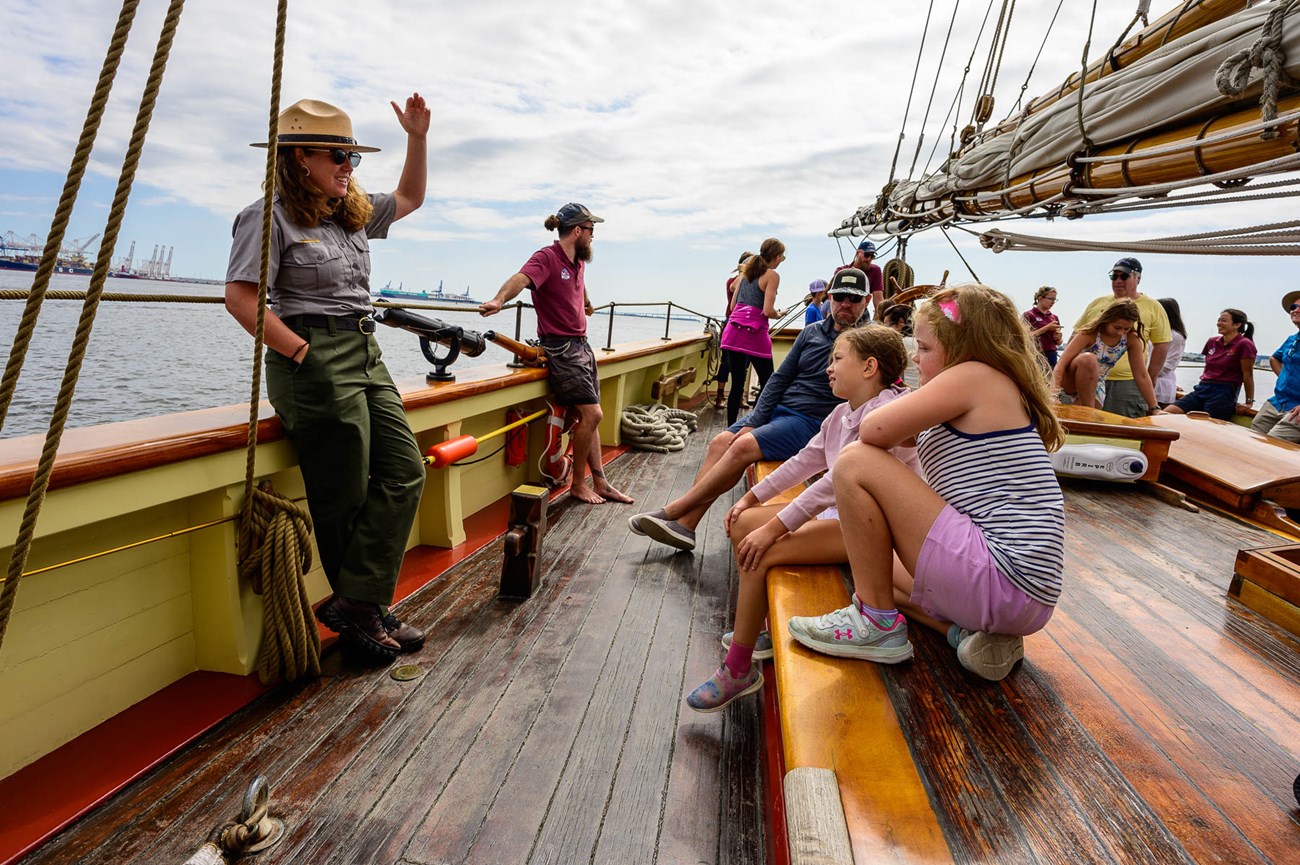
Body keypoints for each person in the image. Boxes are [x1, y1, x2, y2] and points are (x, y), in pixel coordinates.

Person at [224, 95, 430, 659]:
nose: (348, 167)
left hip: (364, 350)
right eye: (338, 155)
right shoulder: (266, 217)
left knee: (405, 471)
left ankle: (355, 602)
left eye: (353, 157)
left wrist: (417, 137)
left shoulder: (352, 212)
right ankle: (366, 611)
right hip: (310, 353)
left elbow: (410, 196)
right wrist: (299, 355)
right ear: (298, 160)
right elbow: (241, 299)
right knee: (343, 491)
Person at [786, 284, 1066, 682]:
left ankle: (875, 623)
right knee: (881, 569)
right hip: (1024, 595)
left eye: (925, 348)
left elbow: (874, 430)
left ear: (962, 345)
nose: (916, 358)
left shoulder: (973, 376)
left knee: (855, 461)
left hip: (997, 576)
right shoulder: (997, 389)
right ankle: (970, 633)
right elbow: (902, 435)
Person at [684, 326, 919, 711]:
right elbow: (804, 461)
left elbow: (831, 483)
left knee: (763, 546)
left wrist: (775, 528)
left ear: (869, 367)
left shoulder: (885, 416)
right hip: (839, 519)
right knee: (744, 524)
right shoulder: (842, 413)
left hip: (870, 533)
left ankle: (738, 667)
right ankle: (761, 627)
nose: (828, 368)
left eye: (837, 359)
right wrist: (750, 497)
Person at [628, 268, 873, 552]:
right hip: (781, 410)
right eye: (840, 296)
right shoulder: (811, 333)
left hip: (811, 422)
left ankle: (675, 512)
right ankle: (687, 525)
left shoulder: (866, 343)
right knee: (720, 442)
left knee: (743, 446)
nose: (845, 304)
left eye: (853, 299)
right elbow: (779, 379)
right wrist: (757, 418)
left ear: (866, 300)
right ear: (829, 297)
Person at [479, 203, 632, 505]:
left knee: (592, 414)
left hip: (581, 346)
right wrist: (499, 299)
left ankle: (600, 482)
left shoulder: (578, 261)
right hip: (560, 349)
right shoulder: (546, 258)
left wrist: (587, 302)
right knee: (594, 413)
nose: (593, 236)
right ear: (578, 231)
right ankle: (578, 484)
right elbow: (521, 278)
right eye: (591, 230)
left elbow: (580, 282)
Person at [1071, 257, 1171, 417]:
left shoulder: (1153, 307)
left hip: (1127, 383)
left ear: (1137, 278)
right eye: (1114, 276)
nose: (1118, 280)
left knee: (1121, 430)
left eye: (1123, 276)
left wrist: (1151, 380)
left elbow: (1162, 345)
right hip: (1086, 379)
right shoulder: (1098, 303)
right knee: (1084, 419)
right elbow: (1076, 334)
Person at [718, 239, 786, 425]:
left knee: (737, 384)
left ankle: (730, 427)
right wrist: (779, 313)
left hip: (733, 332)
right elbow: (767, 311)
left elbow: (733, 306)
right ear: (777, 257)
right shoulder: (772, 275)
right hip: (754, 333)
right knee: (768, 381)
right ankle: (754, 422)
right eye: (782, 257)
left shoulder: (746, 273)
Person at [1054, 299, 1158, 412]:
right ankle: (1084, 409)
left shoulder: (1131, 339)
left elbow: (1141, 375)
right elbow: (1061, 365)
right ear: (1107, 320)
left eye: (1126, 328)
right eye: (1117, 327)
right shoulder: (1089, 334)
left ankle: (1088, 413)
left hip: (1096, 385)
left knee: (1091, 414)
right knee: (1088, 359)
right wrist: (1052, 394)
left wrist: (1155, 407)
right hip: (1070, 381)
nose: (1120, 332)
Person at [1163, 309, 1256, 420]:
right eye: (1219, 320)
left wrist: (1249, 402)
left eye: (1224, 320)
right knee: (1165, 414)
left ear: (1236, 325)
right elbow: (1209, 368)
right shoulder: (1212, 342)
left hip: (1224, 393)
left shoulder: (1245, 344)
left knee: (1208, 426)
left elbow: (1248, 374)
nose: (1219, 323)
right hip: (1203, 388)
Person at [1251, 291, 1300, 443]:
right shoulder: (1292, 339)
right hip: (1278, 401)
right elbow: (1274, 358)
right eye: (1294, 306)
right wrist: (1285, 378)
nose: (1296, 310)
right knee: (1251, 437)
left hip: (1296, 409)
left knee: (1273, 442)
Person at [713, 251, 753, 409]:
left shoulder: (752, 283)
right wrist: (743, 272)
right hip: (732, 324)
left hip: (748, 327)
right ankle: (720, 395)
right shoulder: (733, 280)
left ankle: (738, 395)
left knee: (745, 364)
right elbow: (734, 286)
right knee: (726, 363)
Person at [833, 239, 885, 317]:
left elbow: (878, 300)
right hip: (843, 310)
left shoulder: (875, 271)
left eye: (872, 256)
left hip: (862, 312)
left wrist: (880, 320)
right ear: (857, 253)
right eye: (867, 255)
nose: (869, 259)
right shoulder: (841, 271)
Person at [1154, 297, 1188, 406]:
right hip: (1146, 382)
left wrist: (1146, 376)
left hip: (1160, 387)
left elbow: (1169, 364)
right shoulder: (1154, 332)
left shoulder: (1176, 336)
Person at [1022, 286, 1063, 367]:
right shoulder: (1028, 315)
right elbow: (1025, 336)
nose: (1053, 302)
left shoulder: (1054, 317)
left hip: (1052, 355)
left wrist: (1058, 338)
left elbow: (1059, 342)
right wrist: (1047, 328)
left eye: (1054, 299)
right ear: (1040, 298)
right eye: (1050, 299)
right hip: (1035, 355)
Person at [882, 303, 920, 388]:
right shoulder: (920, 342)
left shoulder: (898, 344)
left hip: (905, 392)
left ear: (901, 322)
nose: (884, 330)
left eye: (887, 325)